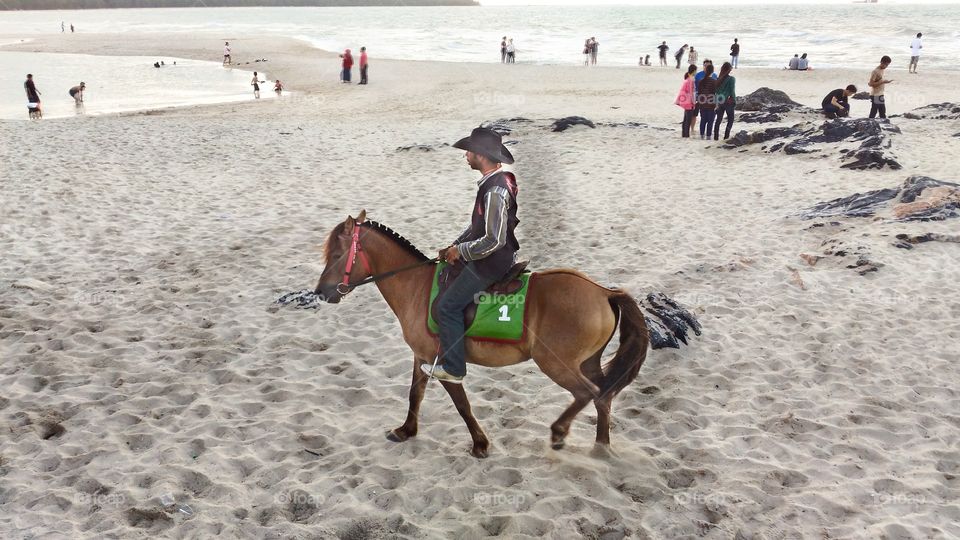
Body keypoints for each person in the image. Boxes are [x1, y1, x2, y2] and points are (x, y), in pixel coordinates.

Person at [424, 127, 520, 384]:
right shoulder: (495, 182)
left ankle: (454, 369)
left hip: (492, 262)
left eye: (469, 150)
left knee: (448, 307)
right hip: (489, 255)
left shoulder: (495, 191)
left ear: (480, 154)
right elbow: (477, 227)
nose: (465, 154)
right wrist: (454, 245)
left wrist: (461, 250)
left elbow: (494, 240)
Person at [714, 62, 736, 140]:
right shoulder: (731, 79)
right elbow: (732, 91)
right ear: (729, 69)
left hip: (720, 101)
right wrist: (734, 100)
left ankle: (715, 137)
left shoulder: (718, 79)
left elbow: (716, 91)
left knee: (718, 120)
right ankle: (726, 136)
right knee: (730, 119)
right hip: (728, 102)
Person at [675, 64, 698, 138]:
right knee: (688, 120)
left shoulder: (687, 79)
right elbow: (692, 93)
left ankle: (684, 134)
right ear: (694, 71)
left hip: (685, 101)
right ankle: (686, 135)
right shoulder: (691, 80)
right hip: (688, 102)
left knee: (685, 119)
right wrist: (693, 102)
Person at [697, 63, 719, 140]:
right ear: (712, 72)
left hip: (702, 103)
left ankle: (702, 135)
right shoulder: (714, 81)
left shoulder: (700, 81)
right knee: (710, 121)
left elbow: (699, 93)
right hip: (711, 104)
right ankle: (708, 136)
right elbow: (715, 94)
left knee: (703, 120)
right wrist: (716, 104)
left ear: (706, 71)